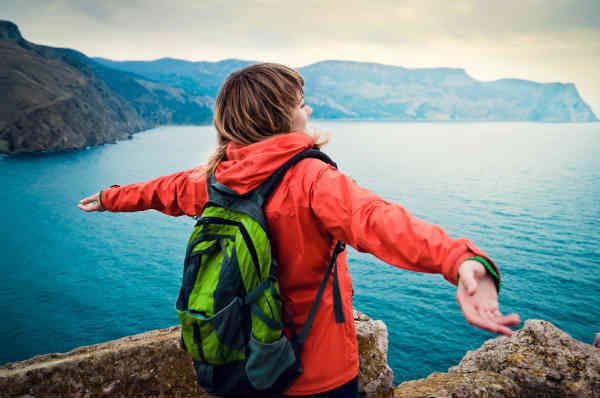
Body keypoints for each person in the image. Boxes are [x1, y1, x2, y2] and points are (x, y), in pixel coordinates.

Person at [78, 63, 521, 398]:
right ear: (279, 113)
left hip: (243, 363)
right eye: (299, 100)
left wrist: (110, 197)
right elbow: (380, 221)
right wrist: (460, 259)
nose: (307, 107)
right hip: (318, 373)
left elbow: (164, 190)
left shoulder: (219, 176)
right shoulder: (311, 180)